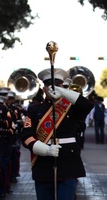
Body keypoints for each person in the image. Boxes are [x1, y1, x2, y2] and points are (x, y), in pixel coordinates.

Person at [21, 68, 93, 200]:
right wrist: (45, 150)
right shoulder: (34, 109)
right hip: (43, 162)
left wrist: (64, 93)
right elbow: (26, 137)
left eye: (58, 85)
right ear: (44, 89)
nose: (53, 88)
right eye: (49, 85)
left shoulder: (71, 107)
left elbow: (87, 106)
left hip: (68, 162)